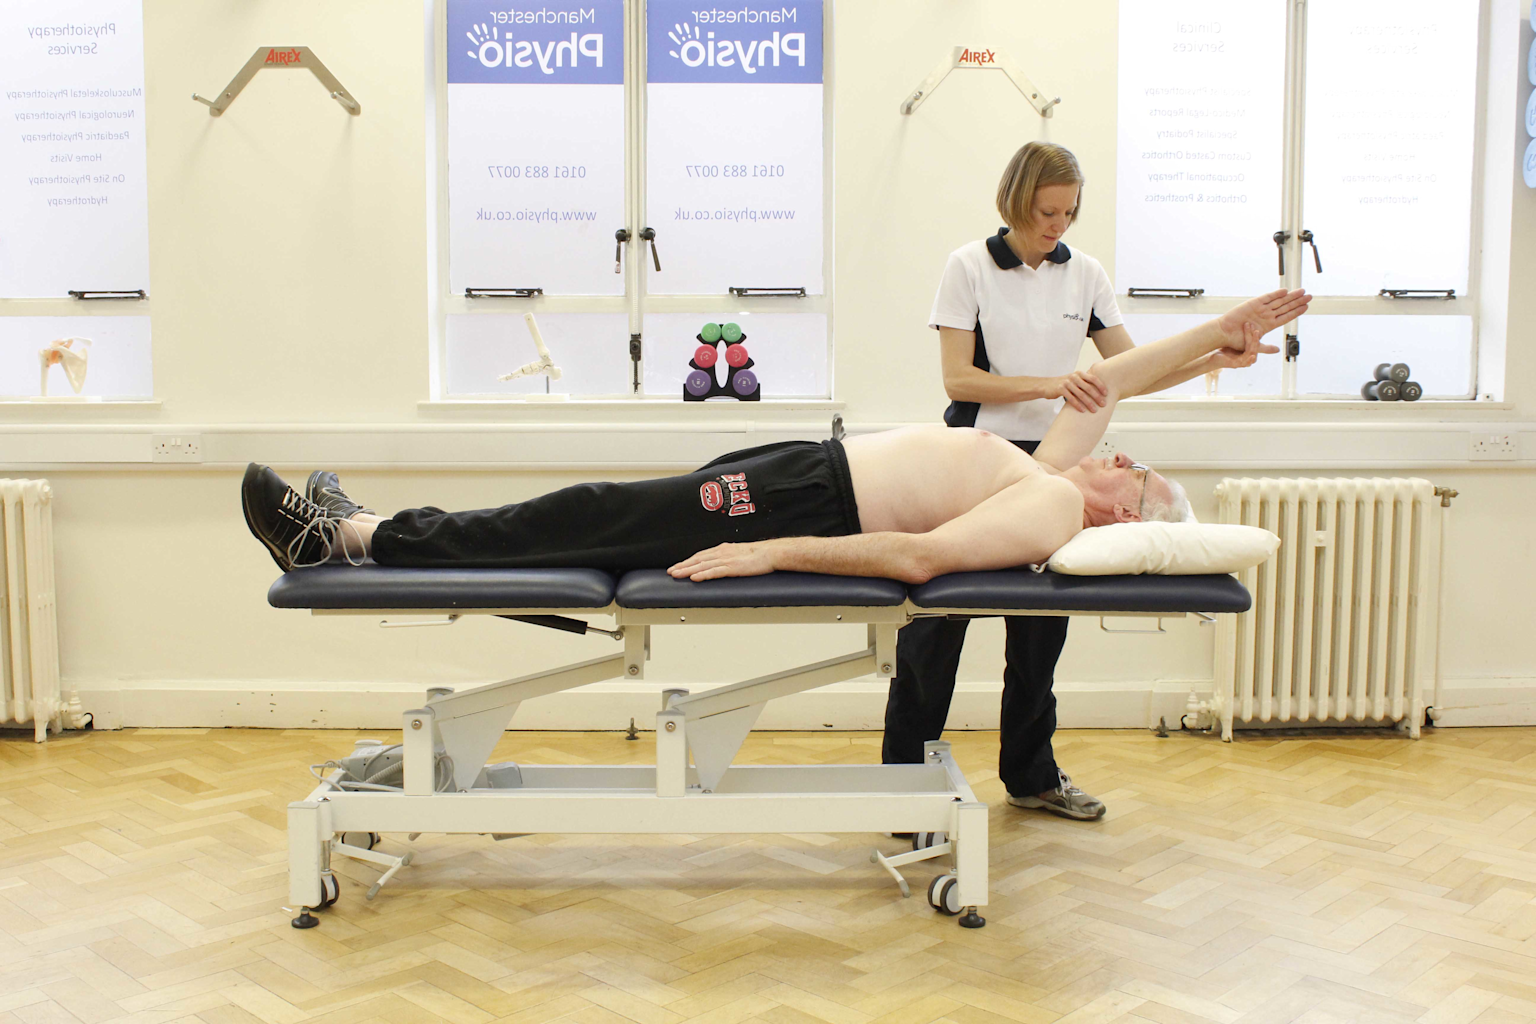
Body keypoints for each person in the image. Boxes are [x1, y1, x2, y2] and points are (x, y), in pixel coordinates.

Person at [242, 290, 1305, 588]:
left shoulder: (1056, 507)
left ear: (1131, 513)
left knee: (584, 517)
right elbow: (1110, 382)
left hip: (802, 508)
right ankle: (364, 530)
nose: (1125, 455)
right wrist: (1223, 338)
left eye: (1140, 473)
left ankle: (350, 539)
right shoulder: (1059, 476)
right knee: (599, 516)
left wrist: (771, 551)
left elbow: (921, 558)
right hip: (805, 470)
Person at [885, 142, 1262, 822]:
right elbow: (958, 380)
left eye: (1067, 212)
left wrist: (1215, 359)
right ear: (1016, 199)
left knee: (1038, 633)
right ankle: (904, 785)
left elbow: (1128, 371)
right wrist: (1054, 382)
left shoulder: (1084, 274)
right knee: (934, 630)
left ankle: (1032, 778)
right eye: (1045, 211)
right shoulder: (969, 266)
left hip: (1058, 464)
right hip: (973, 461)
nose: (1057, 225)